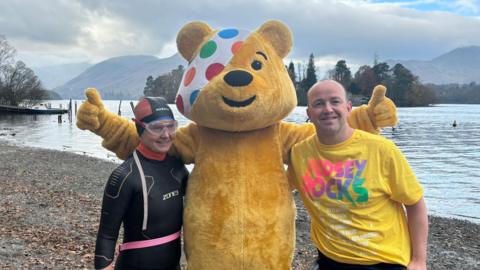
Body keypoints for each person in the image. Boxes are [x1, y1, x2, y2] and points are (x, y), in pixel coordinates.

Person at [288, 80, 428, 270]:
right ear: (309, 114)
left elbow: (415, 203)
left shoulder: (381, 150)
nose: (328, 109)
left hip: (383, 260)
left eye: (335, 101)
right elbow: (278, 189)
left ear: (348, 108)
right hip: (329, 259)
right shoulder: (300, 153)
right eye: (319, 103)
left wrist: (419, 260)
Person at [94, 97, 188, 270]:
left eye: (171, 126)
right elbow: (106, 235)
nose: (166, 135)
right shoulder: (125, 176)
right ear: (139, 128)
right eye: (157, 128)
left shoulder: (178, 168)